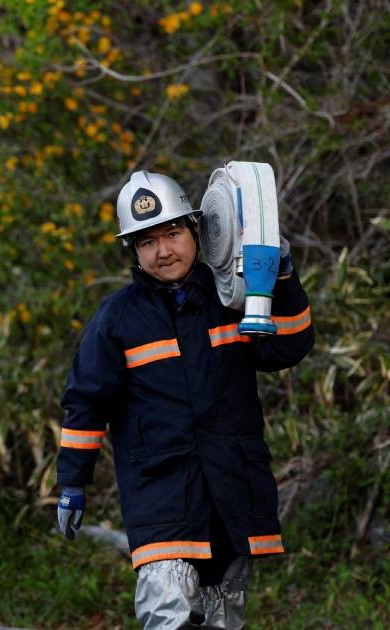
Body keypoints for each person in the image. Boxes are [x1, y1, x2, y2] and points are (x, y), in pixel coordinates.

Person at [56, 170, 314, 628]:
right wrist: (72, 484)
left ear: (197, 230)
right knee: (167, 611)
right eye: (147, 242)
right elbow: (87, 403)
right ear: (133, 251)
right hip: (161, 494)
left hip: (232, 488)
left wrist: (283, 273)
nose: (163, 251)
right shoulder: (118, 318)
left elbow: (288, 346)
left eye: (172, 234)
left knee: (223, 618)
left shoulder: (233, 298)